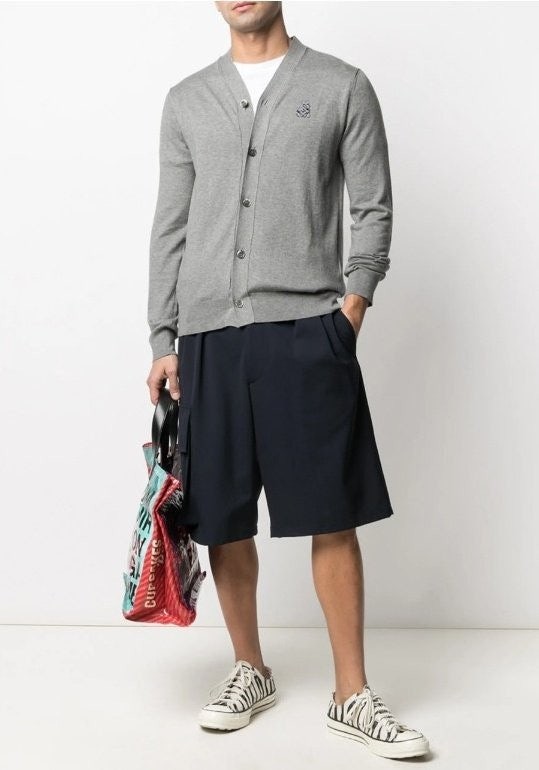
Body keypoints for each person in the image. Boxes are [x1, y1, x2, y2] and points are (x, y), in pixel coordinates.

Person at [146, 0, 429, 759]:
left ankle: (351, 693)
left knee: (331, 513)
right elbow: (171, 225)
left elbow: (372, 206)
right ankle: (250, 668)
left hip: (308, 331)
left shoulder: (341, 86)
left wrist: (352, 308)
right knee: (222, 516)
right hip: (207, 337)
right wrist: (164, 337)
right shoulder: (187, 100)